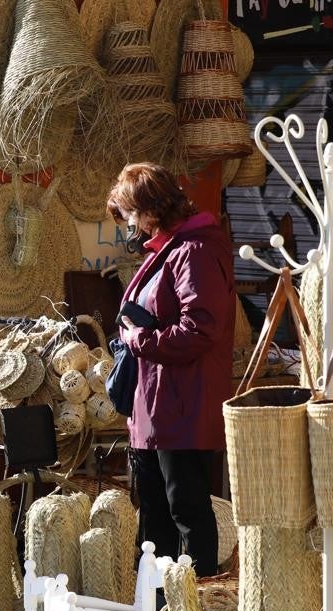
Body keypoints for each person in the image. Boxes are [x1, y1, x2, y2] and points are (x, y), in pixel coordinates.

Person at [108, 162, 235, 578]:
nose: (130, 222)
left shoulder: (194, 251)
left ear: (152, 208)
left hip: (181, 407)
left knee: (187, 512)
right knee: (155, 522)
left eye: (131, 211)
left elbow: (199, 329)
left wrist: (138, 340)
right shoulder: (172, 249)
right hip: (157, 408)